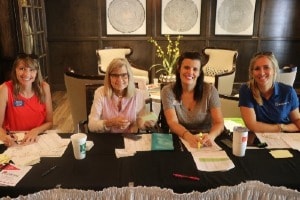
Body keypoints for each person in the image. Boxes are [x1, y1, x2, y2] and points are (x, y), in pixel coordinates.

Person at [161, 51, 224, 148]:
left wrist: (211, 137)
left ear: (199, 73)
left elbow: (219, 122)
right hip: (180, 138)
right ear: (179, 68)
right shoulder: (167, 91)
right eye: (186, 67)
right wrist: (189, 137)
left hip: (205, 138)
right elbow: (172, 122)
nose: (190, 72)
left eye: (195, 69)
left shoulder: (210, 91)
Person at [88, 58, 156, 133]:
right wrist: (110, 123)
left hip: (130, 139)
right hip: (107, 138)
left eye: (124, 75)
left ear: (129, 76)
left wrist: (141, 120)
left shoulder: (139, 94)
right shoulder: (100, 92)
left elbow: (153, 116)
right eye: (115, 75)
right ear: (109, 77)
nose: (120, 80)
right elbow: (91, 125)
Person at [239, 52, 300, 133]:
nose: (262, 73)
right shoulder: (246, 89)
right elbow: (252, 125)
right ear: (252, 73)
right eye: (257, 69)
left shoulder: (288, 91)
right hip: (258, 138)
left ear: (274, 70)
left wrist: (285, 128)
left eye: (266, 67)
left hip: (285, 137)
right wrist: (281, 127)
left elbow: (296, 120)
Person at [0, 53, 53, 147]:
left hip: (38, 137)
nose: (27, 74)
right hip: (14, 139)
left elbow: (50, 122)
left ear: (37, 72)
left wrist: (35, 131)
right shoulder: (4, 89)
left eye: (31, 70)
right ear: (15, 70)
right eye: (22, 68)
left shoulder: (45, 87)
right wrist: (4, 137)